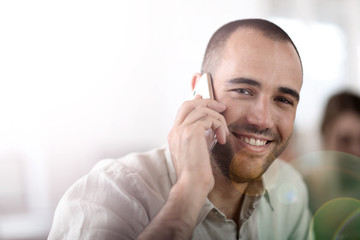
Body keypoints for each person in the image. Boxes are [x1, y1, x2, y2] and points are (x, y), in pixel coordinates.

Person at [48, 19, 312, 240]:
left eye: (283, 100)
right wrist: (190, 189)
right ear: (200, 90)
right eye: (243, 90)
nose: (263, 119)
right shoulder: (111, 194)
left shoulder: (290, 189)